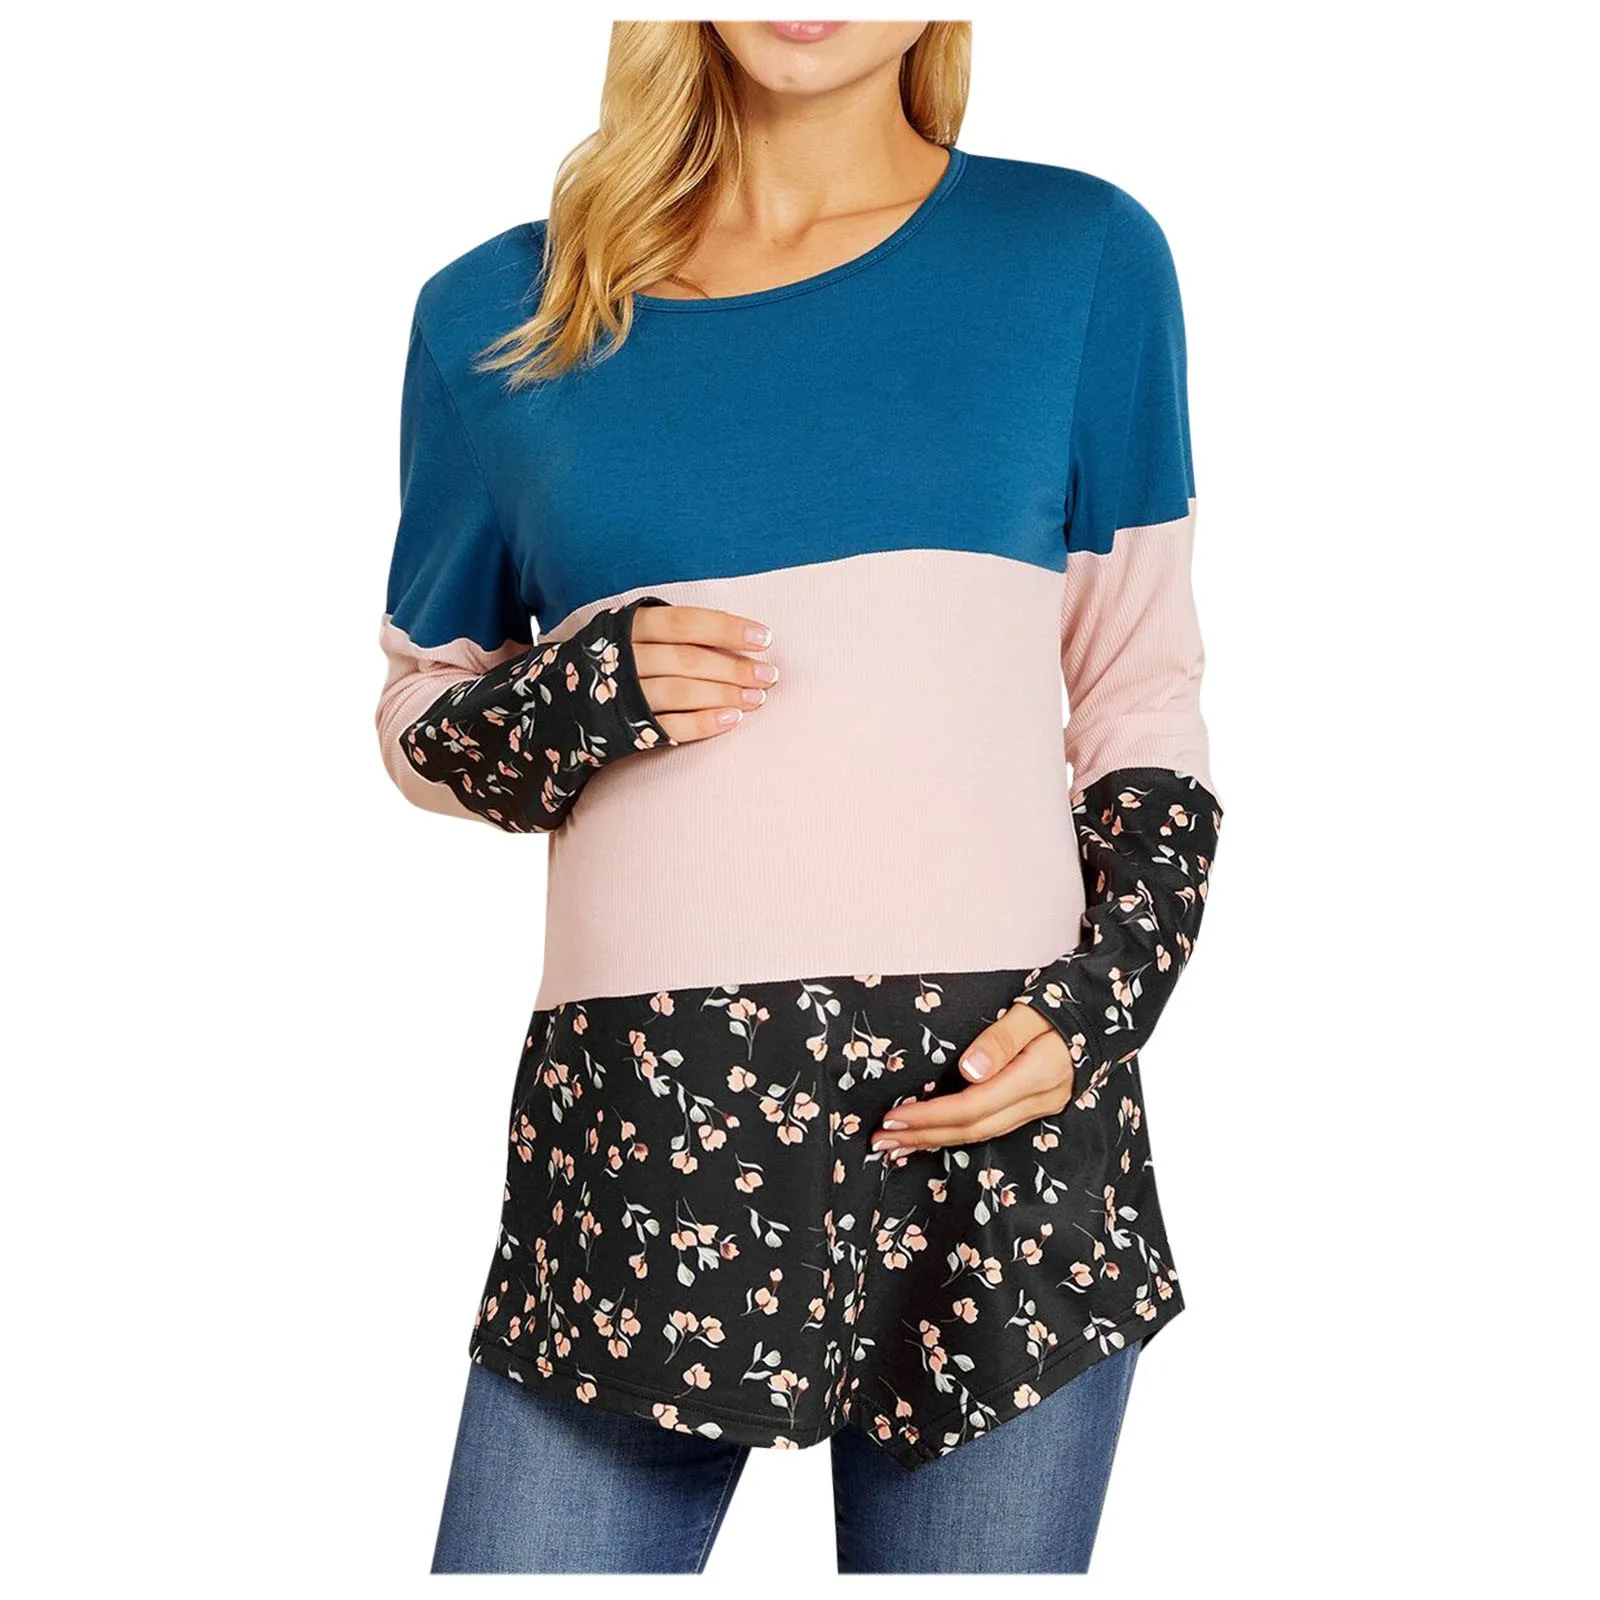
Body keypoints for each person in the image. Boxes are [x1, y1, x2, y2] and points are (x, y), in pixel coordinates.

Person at [374, 19, 1224, 1576]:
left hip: (994, 1125)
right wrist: (579, 693)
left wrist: (1104, 1004)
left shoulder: (1079, 257)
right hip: (643, 1137)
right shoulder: (500, 314)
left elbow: (1140, 696)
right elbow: (421, 714)